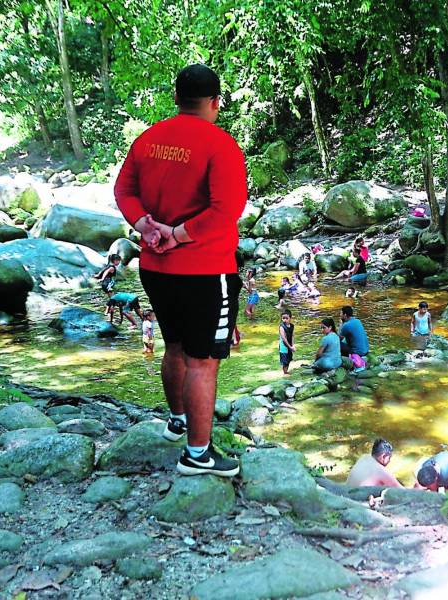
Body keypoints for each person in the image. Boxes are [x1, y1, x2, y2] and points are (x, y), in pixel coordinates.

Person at [114, 63, 246, 477]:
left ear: (177, 99)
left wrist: (144, 225)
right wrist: (178, 233)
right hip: (206, 270)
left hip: (156, 267)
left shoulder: (149, 139)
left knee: (174, 346)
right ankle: (198, 454)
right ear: (215, 102)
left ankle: (179, 421)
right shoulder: (221, 145)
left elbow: (124, 190)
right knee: (203, 361)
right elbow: (227, 210)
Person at [278, 309, 295, 375]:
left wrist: (293, 345)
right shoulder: (282, 327)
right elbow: (284, 339)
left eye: (286, 318)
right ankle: (285, 373)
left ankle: (286, 371)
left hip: (290, 346)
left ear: (290, 318)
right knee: (285, 362)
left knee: (289, 359)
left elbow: (293, 336)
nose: (285, 320)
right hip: (284, 347)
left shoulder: (292, 326)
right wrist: (290, 347)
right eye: (283, 318)